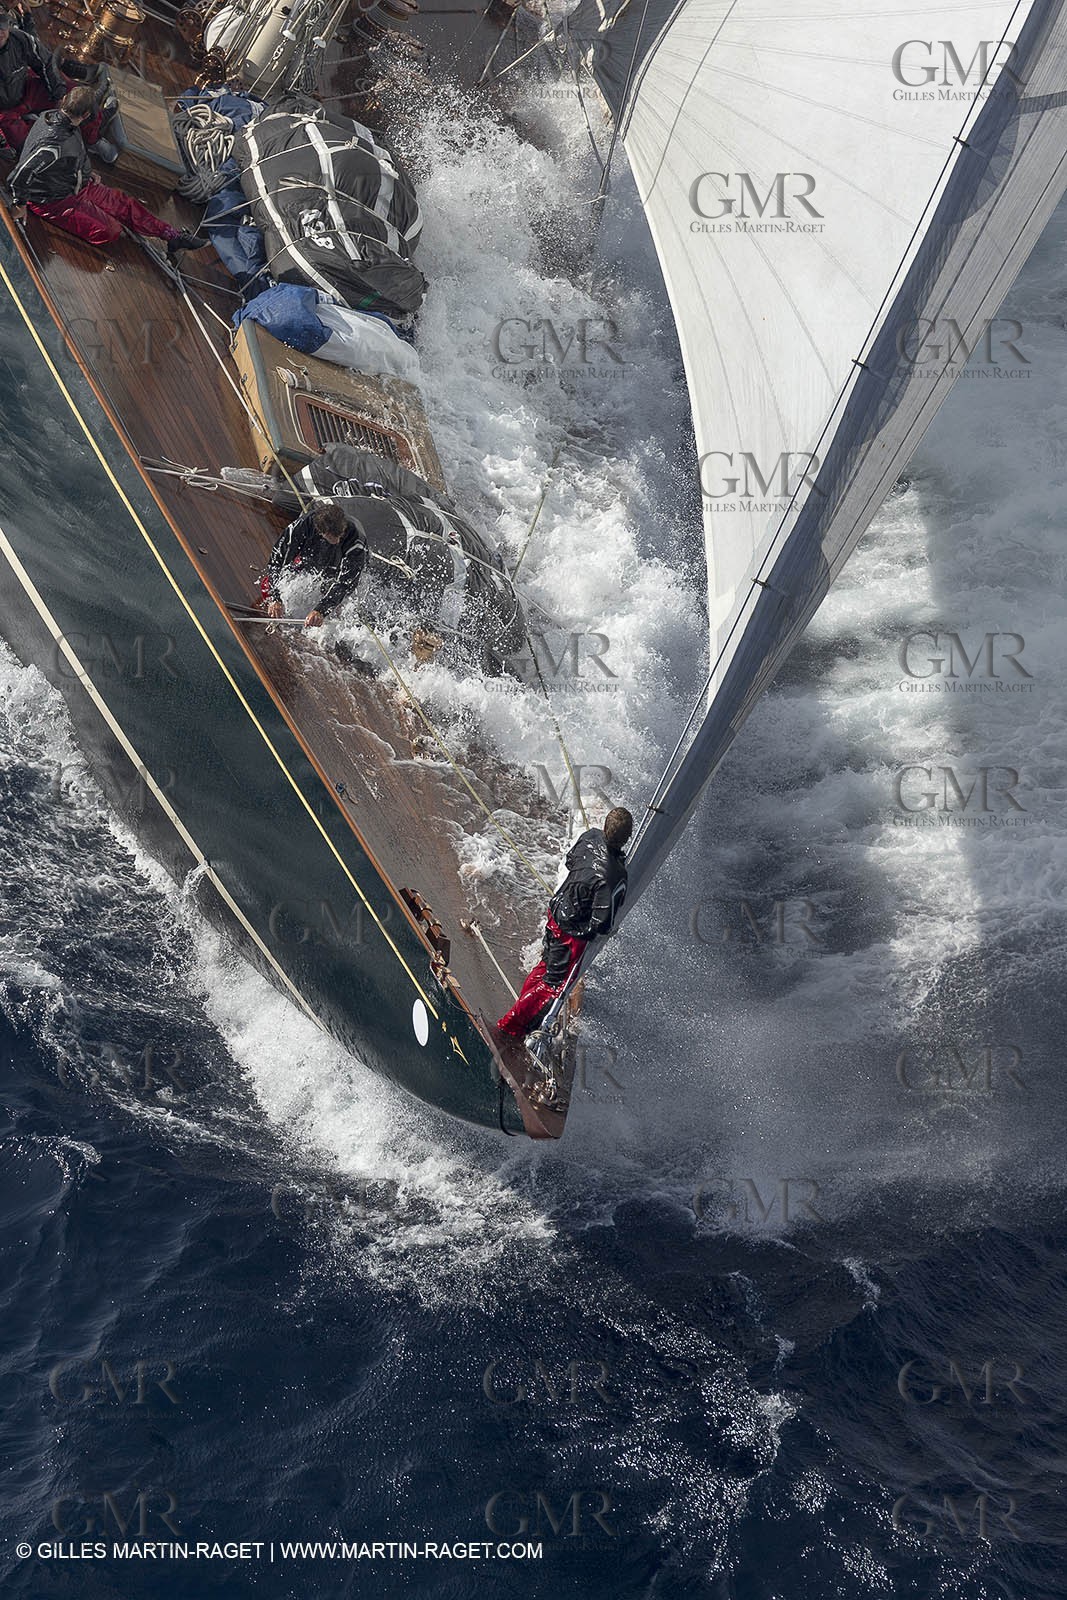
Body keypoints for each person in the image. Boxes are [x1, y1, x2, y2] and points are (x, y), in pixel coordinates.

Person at [8, 85, 208, 256]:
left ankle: (171, 236)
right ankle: (108, 220)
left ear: (64, 101)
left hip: (75, 185)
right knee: (111, 231)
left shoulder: (52, 117)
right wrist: (20, 205)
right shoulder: (53, 144)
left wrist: (86, 172)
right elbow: (20, 174)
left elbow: (73, 154)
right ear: (86, 115)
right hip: (53, 200)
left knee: (124, 204)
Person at [496, 806, 632, 1039]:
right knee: (553, 984)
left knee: (544, 968)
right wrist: (587, 930)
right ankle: (510, 1025)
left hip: (556, 910)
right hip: (571, 933)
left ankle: (520, 1013)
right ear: (627, 838)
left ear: (605, 826)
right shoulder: (615, 875)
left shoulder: (590, 836)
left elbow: (570, 862)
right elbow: (602, 923)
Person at [261, 500, 369, 628]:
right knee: (268, 584)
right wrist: (275, 597)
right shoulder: (301, 526)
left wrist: (321, 610)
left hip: (341, 566)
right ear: (319, 530)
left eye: (340, 534)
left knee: (337, 602)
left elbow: (345, 584)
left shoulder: (356, 540)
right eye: (332, 536)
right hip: (313, 558)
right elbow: (276, 562)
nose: (338, 540)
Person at [0, 8, 63, 154]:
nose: (1, 31)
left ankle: (94, 138)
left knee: (72, 96)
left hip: (24, 92)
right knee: (28, 146)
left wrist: (59, 95)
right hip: (4, 113)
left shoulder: (21, 39)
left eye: (3, 25)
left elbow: (46, 62)